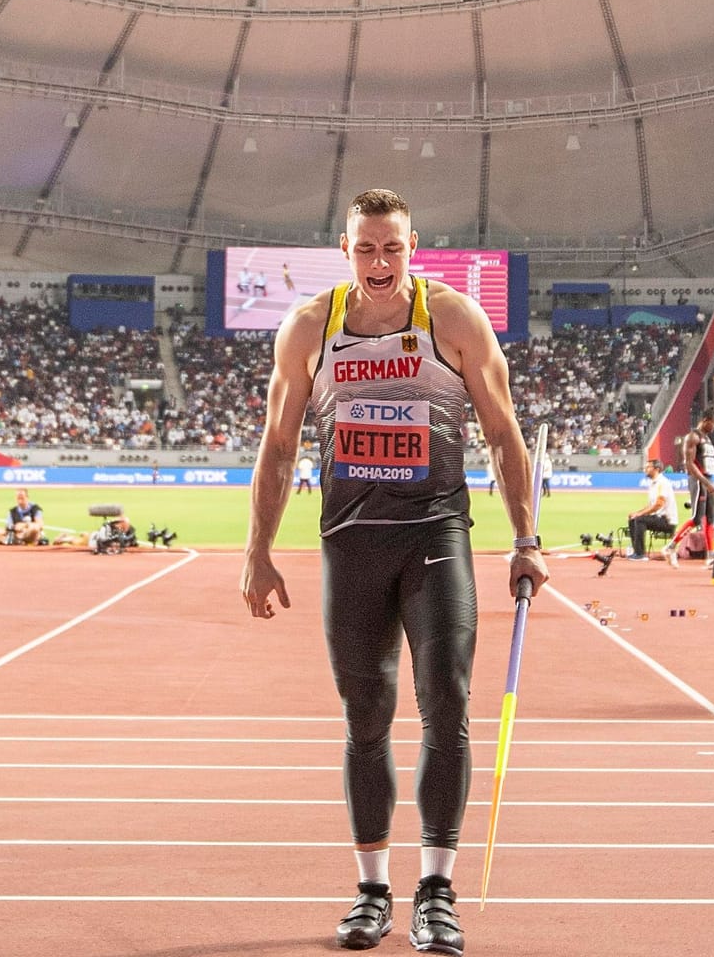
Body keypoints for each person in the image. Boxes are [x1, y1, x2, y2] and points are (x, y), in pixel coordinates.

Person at [240, 188, 546, 956]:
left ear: (415, 249)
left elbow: (506, 437)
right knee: (365, 714)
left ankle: (436, 891)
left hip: (435, 535)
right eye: (367, 249)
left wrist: (526, 538)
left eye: (394, 249)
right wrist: (258, 551)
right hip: (351, 543)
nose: (381, 263)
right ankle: (373, 890)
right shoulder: (310, 328)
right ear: (345, 251)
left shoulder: (454, 321)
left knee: (447, 695)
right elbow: (278, 448)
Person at [670, 411, 714, 558]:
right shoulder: (693, 437)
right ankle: (671, 545)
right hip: (698, 480)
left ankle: (711, 555)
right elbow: (689, 464)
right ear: (705, 420)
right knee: (697, 518)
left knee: (710, 518)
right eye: (713, 423)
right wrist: (705, 482)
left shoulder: (707, 439)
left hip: (708, 479)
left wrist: (710, 481)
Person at [626, 458, 678, 561]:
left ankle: (641, 554)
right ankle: (636, 551)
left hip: (667, 520)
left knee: (639, 520)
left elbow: (658, 504)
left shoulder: (662, 483)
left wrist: (640, 515)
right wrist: (637, 513)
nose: (645, 469)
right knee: (633, 519)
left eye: (648, 467)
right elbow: (650, 505)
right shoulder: (653, 484)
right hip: (658, 517)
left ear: (657, 469)